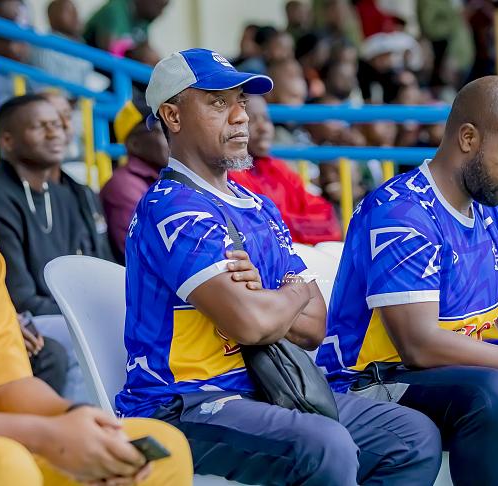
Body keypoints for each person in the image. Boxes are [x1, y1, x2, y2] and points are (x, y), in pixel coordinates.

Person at [117, 48, 442, 485]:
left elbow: (315, 326)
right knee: (324, 444)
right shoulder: (171, 208)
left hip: (270, 388)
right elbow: (251, 323)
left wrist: (266, 300)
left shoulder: (259, 206)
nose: (240, 117)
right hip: (183, 403)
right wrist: (289, 293)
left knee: (413, 436)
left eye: (241, 102)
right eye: (218, 103)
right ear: (172, 116)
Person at [315, 76, 498, 486]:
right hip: (372, 383)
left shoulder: (494, 218)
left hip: (459, 379)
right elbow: (420, 345)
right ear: (468, 138)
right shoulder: (401, 212)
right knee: (494, 392)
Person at [0, 80, 192, 486]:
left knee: (156, 448)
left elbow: (8, 384)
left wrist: (78, 419)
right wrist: (46, 435)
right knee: (4, 464)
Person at [0, 94, 92, 316]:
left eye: (56, 125)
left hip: (65, 314)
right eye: (40, 127)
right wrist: (85, 316)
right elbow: (19, 298)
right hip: (22, 322)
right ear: (7, 141)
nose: (54, 133)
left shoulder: (62, 194)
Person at [229, 95, 342, 245]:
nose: (263, 128)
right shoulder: (229, 175)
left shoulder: (278, 167)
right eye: (251, 120)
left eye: (266, 119)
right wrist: (302, 226)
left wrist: (287, 225)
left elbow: (329, 220)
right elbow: (262, 230)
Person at [42, 92, 113, 262]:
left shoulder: (84, 192)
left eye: (67, 115)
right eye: (53, 119)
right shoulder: (21, 195)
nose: (64, 124)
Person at [101, 95, 169, 262]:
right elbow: (141, 254)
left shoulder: (167, 177)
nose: (172, 137)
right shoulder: (123, 185)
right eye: (162, 130)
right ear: (134, 144)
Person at [31, 0, 94, 87]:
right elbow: (48, 86)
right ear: (52, 18)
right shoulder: (46, 47)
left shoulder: (81, 44)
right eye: (68, 12)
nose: (75, 16)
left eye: (75, 11)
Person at [84, 0, 169, 56]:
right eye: (160, 6)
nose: (160, 13)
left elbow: (146, 52)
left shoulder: (143, 22)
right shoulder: (116, 8)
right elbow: (111, 51)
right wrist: (138, 54)